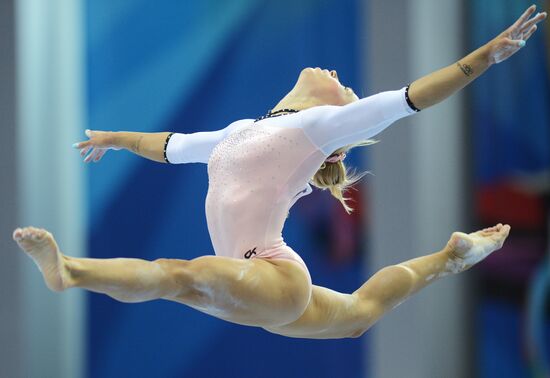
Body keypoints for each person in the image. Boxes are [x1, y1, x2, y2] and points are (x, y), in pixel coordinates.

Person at [13, 6, 546, 339]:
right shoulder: (237, 130)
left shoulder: (321, 126)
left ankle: (69, 271)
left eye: (346, 87)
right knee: (359, 315)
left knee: (178, 275)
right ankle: (452, 257)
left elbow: (412, 98)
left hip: (265, 273)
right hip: (254, 282)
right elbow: (168, 147)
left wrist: (485, 57)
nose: (338, 76)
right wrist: (115, 140)